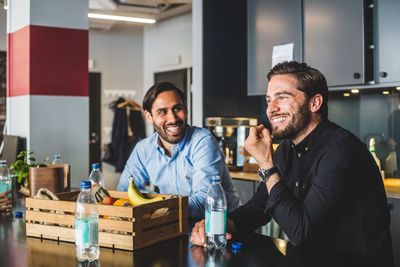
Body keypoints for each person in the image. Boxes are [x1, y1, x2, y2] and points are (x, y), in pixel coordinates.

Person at [190, 61, 393, 265]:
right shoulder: (287, 148)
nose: (271, 109)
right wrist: (219, 225)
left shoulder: (342, 151)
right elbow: (258, 208)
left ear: (314, 103)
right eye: (269, 100)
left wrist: (266, 164)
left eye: (283, 97)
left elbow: (299, 231)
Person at [117, 82, 240, 222]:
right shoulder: (143, 150)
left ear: (185, 109)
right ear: (149, 117)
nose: (173, 118)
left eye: (177, 108)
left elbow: (204, 202)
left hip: (223, 227)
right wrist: (160, 202)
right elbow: (124, 191)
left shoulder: (203, 141)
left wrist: (151, 202)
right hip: (176, 224)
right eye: (162, 112)